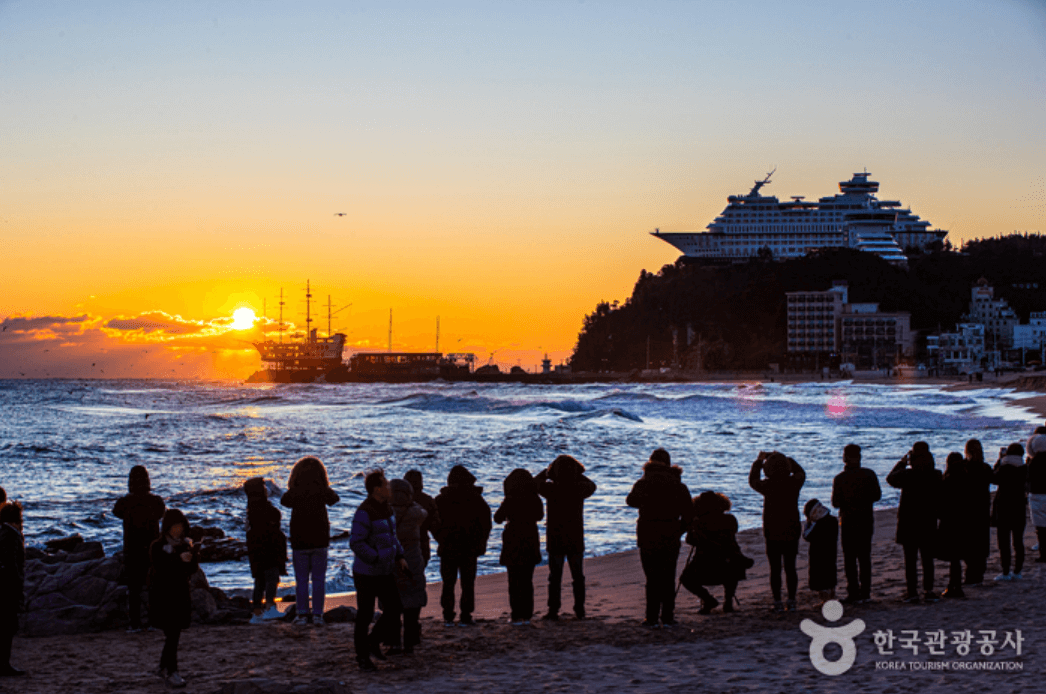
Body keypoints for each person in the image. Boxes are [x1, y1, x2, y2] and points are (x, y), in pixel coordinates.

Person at [626, 448, 694, 627]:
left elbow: (631, 501)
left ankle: (651, 618)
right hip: (670, 534)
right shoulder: (678, 485)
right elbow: (689, 515)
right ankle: (668, 617)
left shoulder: (644, 482)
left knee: (652, 578)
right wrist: (678, 530)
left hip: (648, 534)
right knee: (668, 577)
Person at [349, 470, 406, 671]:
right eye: (386, 484)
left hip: (385, 570)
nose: (389, 488)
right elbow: (356, 542)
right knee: (364, 615)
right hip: (366, 573)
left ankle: (373, 641)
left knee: (394, 608)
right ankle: (362, 657)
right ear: (376, 489)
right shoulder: (364, 512)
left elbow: (392, 537)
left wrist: (399, 556)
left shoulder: (387, 509)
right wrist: (375, 557)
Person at [534, 454, 596, 620]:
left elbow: (535, 482)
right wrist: (579, 473)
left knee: (555, 577)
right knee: (578, 576)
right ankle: (580, 610)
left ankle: (553, 610)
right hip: (575, 537)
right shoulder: (579, 488)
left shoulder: (551, 489)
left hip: (556, 537)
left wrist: (546, 472)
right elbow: (592, 485)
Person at [281, 456, 340, 624]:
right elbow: (335, 499)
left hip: (300, 540)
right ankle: (317, 614)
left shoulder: (295, 491)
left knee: (301, 580)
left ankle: (302, 614)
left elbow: (284, 501)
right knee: (318, 579)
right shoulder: (322, 490)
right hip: (320, 539)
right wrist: (323, 487)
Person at [434, 465, 492, 626]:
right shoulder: (476, 498)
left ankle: (448, 616)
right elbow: (486, 523)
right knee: (467, 584)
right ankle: (466, 615)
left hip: (448, 547)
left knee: (448, 584)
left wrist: (440, 538)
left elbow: (433, 523)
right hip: (469, 548)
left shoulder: (441, 500)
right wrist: (481, 542)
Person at [749, 451, 805, 612]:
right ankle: (792, 600)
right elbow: (801, 472)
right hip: (791, 528)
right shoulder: (793, 483)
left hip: (772, 530)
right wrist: (787, 459)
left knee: (775, 569)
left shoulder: (768, 485)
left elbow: (753, 480)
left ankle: (778, 601)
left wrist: (759, 461)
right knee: (790, 567)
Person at [148, 509, 199, 689]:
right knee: (172, 634)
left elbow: (192, 569)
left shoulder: (186, 545)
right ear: (167, 527)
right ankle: (172, 671)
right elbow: (159, 567)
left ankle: (164, 667)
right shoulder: (157, 546)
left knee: (173, 633)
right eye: (175, 527)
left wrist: (191, 558)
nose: (178, 530)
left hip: (180, 594)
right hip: (162, 594)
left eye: (181, 527)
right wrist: (178, 559)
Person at [886, 442, 942, 603]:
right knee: (927, 559)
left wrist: (902, 462)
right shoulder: (936, 475)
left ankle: (912, 592)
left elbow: (890, 478)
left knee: (910, 560)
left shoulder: (908, 475)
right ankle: (928, 590)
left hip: (909, 521)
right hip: (928, 520)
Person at [112, 465, 165, 632]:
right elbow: (161, 513)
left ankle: (134, 624)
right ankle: (154, 622)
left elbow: (116, 512)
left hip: (132, 549)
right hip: (152, 548)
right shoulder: (155, 501)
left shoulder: (125, 502)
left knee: (134, 589)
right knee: (153, 587)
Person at [831, 444, 882, 603]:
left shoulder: (840, 478)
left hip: (848, 521)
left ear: (844, 458)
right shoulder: (869, 474)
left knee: (850, 559)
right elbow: (877, 496)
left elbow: (835, 503)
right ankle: (865, 592)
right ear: (859, 457)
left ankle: (853, 592)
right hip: (865, 519)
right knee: (864, 557)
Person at [494, 469, 544, 625]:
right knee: (527, 580)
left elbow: (497, 518)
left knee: (514, 580)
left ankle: (516, 615)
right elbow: (540, 516)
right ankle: (527, 615)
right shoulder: (534, 498)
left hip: (513, 540)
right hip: (530, 537)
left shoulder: (510, 499)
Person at [683, 491, 746, 614]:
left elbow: (690, 540)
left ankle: (708, 599)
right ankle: (728, 601)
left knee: (686, 579)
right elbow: (732, 533)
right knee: (731, 570)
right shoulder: (730, 519)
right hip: (729, 559)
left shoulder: (699, 522)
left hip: (705, 561)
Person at [387, 478, 428, 654]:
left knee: (392, 606)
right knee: (412, 604)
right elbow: (424, 512)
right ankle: (410, 642)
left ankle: (394, 643)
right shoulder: (415, 513)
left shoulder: (385, 513)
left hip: (391, 561)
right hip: (413, 562)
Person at [244, 477, 287, 623]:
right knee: (271, 578)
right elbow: (276, 515)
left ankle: (257, 613)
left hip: (256, 551)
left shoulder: (251, 510)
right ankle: (269, 607)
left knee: (259, 581)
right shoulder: (264, 509)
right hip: (269, 549)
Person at [992, 443, 1028, 581]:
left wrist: (999, 461)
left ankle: (1005, 572)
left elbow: (994, 479)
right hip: (1019, 507)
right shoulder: (1025, 468)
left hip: (1004, 507)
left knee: (1004, 543)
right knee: (1018, 542)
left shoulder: (1004, 468)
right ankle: (1018, 571)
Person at [938, 452, 971, 598]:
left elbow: (942, 501)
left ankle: (954, 586)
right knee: (958, 556)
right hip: (964, 520)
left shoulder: (948, 480)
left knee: (954, 556)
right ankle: (955, 585)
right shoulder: (967, 477)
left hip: (950, 521)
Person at [963, 439, 994, 583]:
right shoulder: (985, 467)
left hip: (968, 508)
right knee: (981, 541)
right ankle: (979, 574)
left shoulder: (964, 467)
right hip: (982, 508)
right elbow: (994, 479)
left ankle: (970, 574)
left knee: (969, 542)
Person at [0, 502, 25, 677]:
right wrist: (18, 587)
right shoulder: (12, 536)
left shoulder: (3, 533)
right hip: (8, 588)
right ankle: (4, 665)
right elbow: (12, 565)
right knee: (7, 627)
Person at [802, 498, 838, 603]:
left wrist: (809, 523)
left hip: (818, 556)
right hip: (831, 554)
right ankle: (831, 596)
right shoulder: (833, 520)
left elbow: (806, 536)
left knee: (821, 580)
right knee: (830, 576)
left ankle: (825, 601)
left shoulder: (817, 524)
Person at [403, 469, 441, 567]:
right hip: (421, 547)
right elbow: (435, 527)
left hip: (400, 548)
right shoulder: (427, 500)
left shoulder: (393, 500)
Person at [1026, 427, 1046, 563]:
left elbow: (1028, 479)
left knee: (1041, 528)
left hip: (1037, 495)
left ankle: (1043, 554)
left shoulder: (1033, 461)